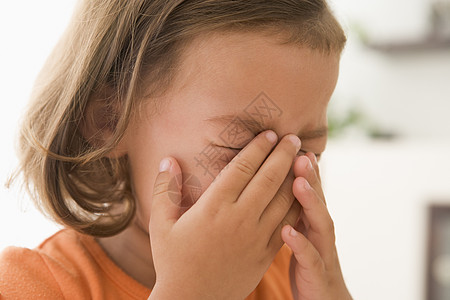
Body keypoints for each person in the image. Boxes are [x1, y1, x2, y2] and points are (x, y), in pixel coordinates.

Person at [0, 0, 352, 299]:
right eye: (241, 147)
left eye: (309, 151)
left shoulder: (290, 275)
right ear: (108, 121)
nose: (278, 181)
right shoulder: (30, 286)